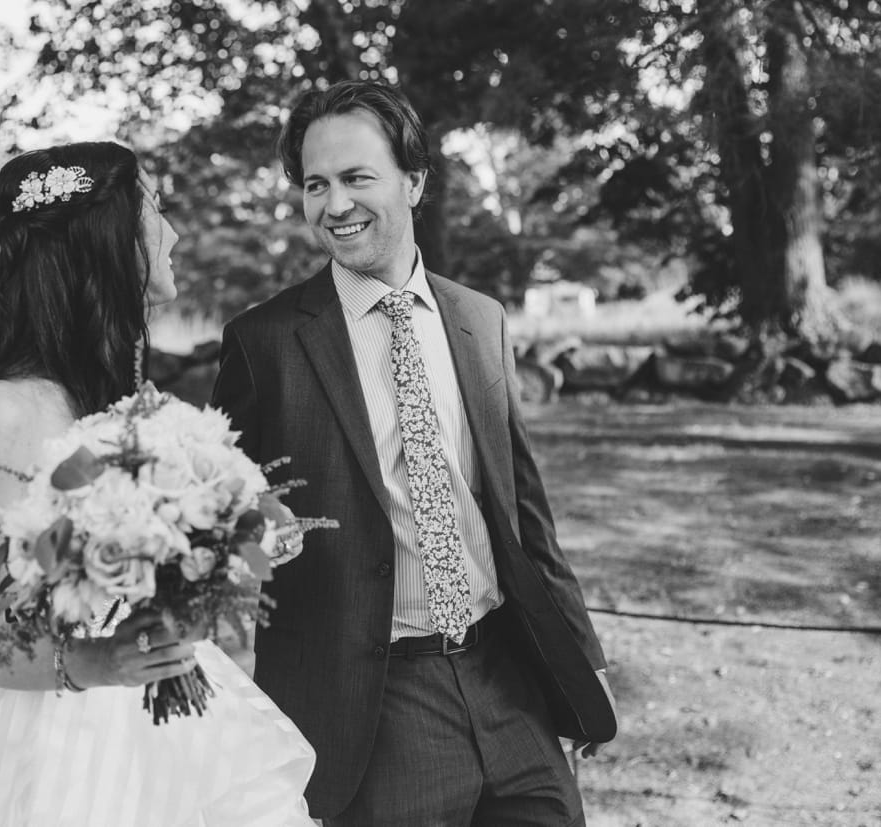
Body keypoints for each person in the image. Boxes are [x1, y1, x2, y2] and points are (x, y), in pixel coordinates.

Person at [0, 141, 315, 827]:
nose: (173, 234)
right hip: (75, 755)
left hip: (188, 732)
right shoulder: (6, 409)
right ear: (108, 238)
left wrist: (241, 535)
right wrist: (103, 661)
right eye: (155, 209)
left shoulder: (123, 399)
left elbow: (167, 570)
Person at [211, 81, 618, 826]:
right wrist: (252, 540)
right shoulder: (263, 343)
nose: (335, 204)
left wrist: (581, 656)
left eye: (356, 177)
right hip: (373, 709)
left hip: (510, 681)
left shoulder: (479, 320)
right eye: (315, 184)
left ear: (415, 181)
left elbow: (526, 513)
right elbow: (215, 520)